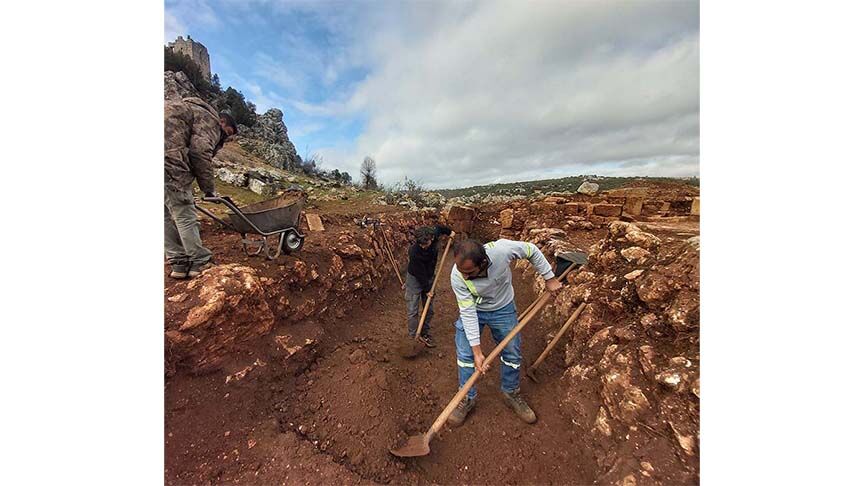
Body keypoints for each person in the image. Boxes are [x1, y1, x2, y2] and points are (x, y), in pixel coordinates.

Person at [447, 239, 562, 426]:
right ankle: (467, 398)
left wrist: (549, 278)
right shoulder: (457, 276)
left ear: (483, 263)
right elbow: (468, 313)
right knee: (465, 355)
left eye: (469, 272)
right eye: (462, 272)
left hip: (503, 308)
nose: (465, 277)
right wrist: (477, 352)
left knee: (512, 352)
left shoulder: (501, 251)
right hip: (475, 309)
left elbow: (531, 250)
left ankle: (511, 392)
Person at [164, 96, 237, 279]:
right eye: (227, 133)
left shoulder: (183, 108)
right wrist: (209, 189)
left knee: (163, 214)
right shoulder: (208, 119)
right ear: (222, 122)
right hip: (170, 161)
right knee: (184, 211)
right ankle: (200, 262)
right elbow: (200, 151)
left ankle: (179, 263)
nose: (224, 139)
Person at [404, 224, 454, 348]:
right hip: (415, 279)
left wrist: (450, 232)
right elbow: (420, 274)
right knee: (412, 310)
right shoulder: (414, 252)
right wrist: (427, 290)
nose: (423, 246)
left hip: (429, 276)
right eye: (420, 244)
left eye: (425, 244)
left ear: (432, 238)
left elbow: (440, 228)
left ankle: (424, 332)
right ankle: (412, 337)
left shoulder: (433, 233)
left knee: (429, 310)